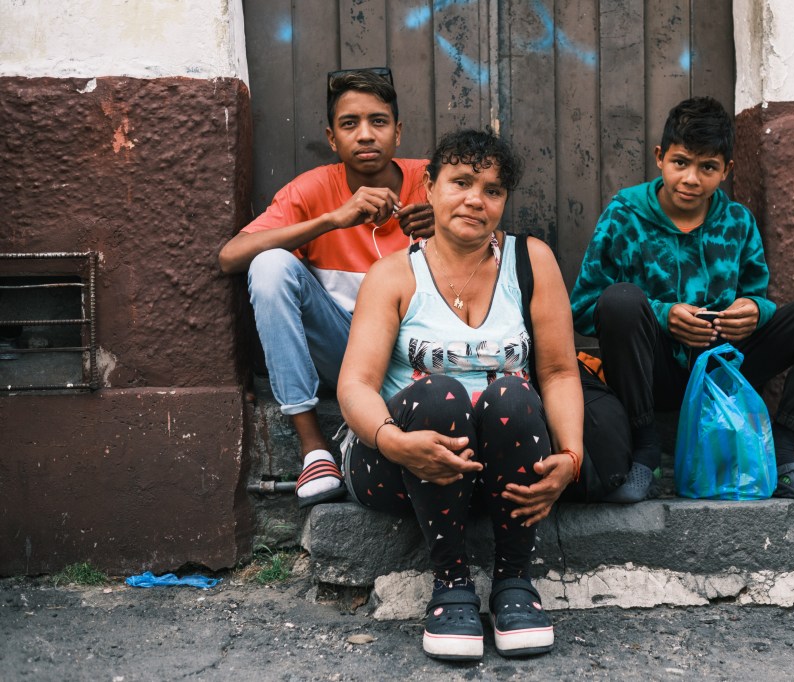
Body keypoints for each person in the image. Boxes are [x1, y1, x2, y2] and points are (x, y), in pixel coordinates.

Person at [337, 129, 583, 661]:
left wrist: (570, 457)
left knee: (515, 397)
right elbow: (354, 384)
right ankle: (450, 586)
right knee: (441, 394)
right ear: (428, 186)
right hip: (397, 464)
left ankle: (515, 582)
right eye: (462, 182)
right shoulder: (393, 274)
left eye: (492, 190)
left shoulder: (531, 261)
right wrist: (391, 440)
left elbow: (561, 372)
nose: (476, 199)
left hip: (497, 467)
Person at [570, 96, 794, 509]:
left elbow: (756, 293)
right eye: (681, 162)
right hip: (655, 374)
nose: (692, 179)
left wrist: (756, 312)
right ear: (660, 158)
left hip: (725, 368)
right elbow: (583, 307)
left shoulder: (738, 222)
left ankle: (781, 450)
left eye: (707, 167)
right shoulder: (625, 214)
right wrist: (663, 315)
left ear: (725, 170)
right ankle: (645, 452)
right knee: (619, 300)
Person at [218, 69, 433, 508]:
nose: (366, 135)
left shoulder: (433, 181)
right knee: (270, 265)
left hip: (421, 354)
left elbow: (496, 248)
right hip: (345, 353)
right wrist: (331, 220)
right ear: (332, 140)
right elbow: (230, 256)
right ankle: (314, 448)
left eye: (379, 121)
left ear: (398, 131)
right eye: (350, 124)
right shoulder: (314, 189)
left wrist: (446, 229)